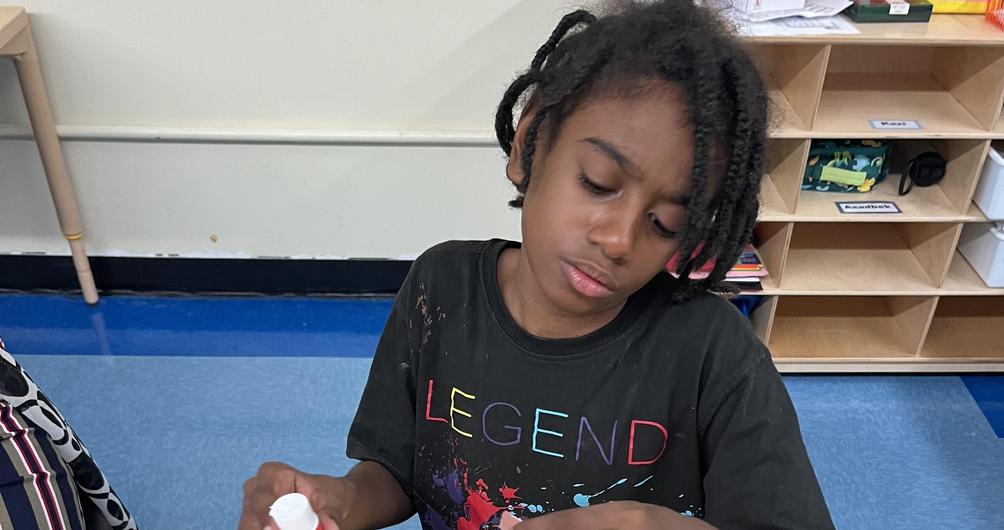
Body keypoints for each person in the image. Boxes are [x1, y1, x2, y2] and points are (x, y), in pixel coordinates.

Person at [240, 1, 833, 528]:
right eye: (598, 183)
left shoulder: (713, 354)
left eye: (665, 224)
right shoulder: (440, 289)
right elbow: (397, 471)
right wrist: (338, 501)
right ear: (528, 146)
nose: (619, 240)